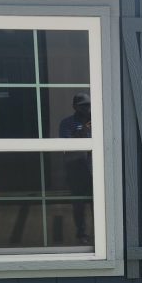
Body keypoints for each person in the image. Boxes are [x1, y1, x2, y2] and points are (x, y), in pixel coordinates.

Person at [59, 93, 93, 244]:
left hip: (96, 169)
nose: (88, 108)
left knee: (98, 203)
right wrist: (83, 131)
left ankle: (100, 235)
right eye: (84, 105)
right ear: (75, 107)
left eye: (89, 105)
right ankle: (81, 234)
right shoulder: (67, 123)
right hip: (76, 169)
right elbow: (66, 145)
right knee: (79, 204)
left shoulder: (97, 120)